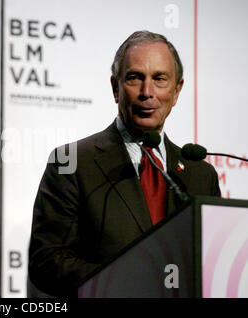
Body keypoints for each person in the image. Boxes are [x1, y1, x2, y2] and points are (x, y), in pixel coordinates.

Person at [28, 31, 221, 297]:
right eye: (134, 78)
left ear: (176, 91)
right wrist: (124, 278)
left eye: (160, 79)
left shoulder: (201, 173)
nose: (147, 92)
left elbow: (212, 264)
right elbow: (47, 262)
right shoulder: (71, 162)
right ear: (115, 88)